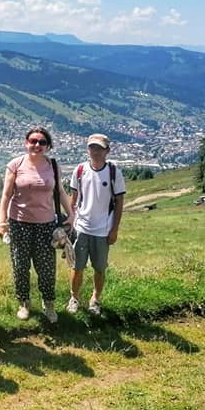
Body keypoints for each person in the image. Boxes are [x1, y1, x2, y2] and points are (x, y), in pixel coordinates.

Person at [0, 126, 69, 322]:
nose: (37, 145)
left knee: (46, 268)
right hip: (19, 223)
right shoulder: (15, 164)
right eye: (33, 141)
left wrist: (71, 215)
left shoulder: (53, 166)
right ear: (26, 143)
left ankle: (48, 303)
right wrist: (2, 221)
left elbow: (60, 192)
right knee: (20, 265)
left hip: (46, 224)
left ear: (48, 146)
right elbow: (6, 195)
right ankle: (24, 303)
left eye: (42, 142)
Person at [67, 133, 126, 316]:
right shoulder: (80, 170)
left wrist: (114, 229)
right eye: (92, 147)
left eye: (99, 148)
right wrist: (70, 225)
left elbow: (119, 202)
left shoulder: (114, 172)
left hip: (103, 229)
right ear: (88, 149)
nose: (95, 151)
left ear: (107, 151)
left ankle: (95, 299)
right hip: (81, 228)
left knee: (99, 268)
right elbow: (73, 200)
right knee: (77, 267)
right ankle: (74, 298)